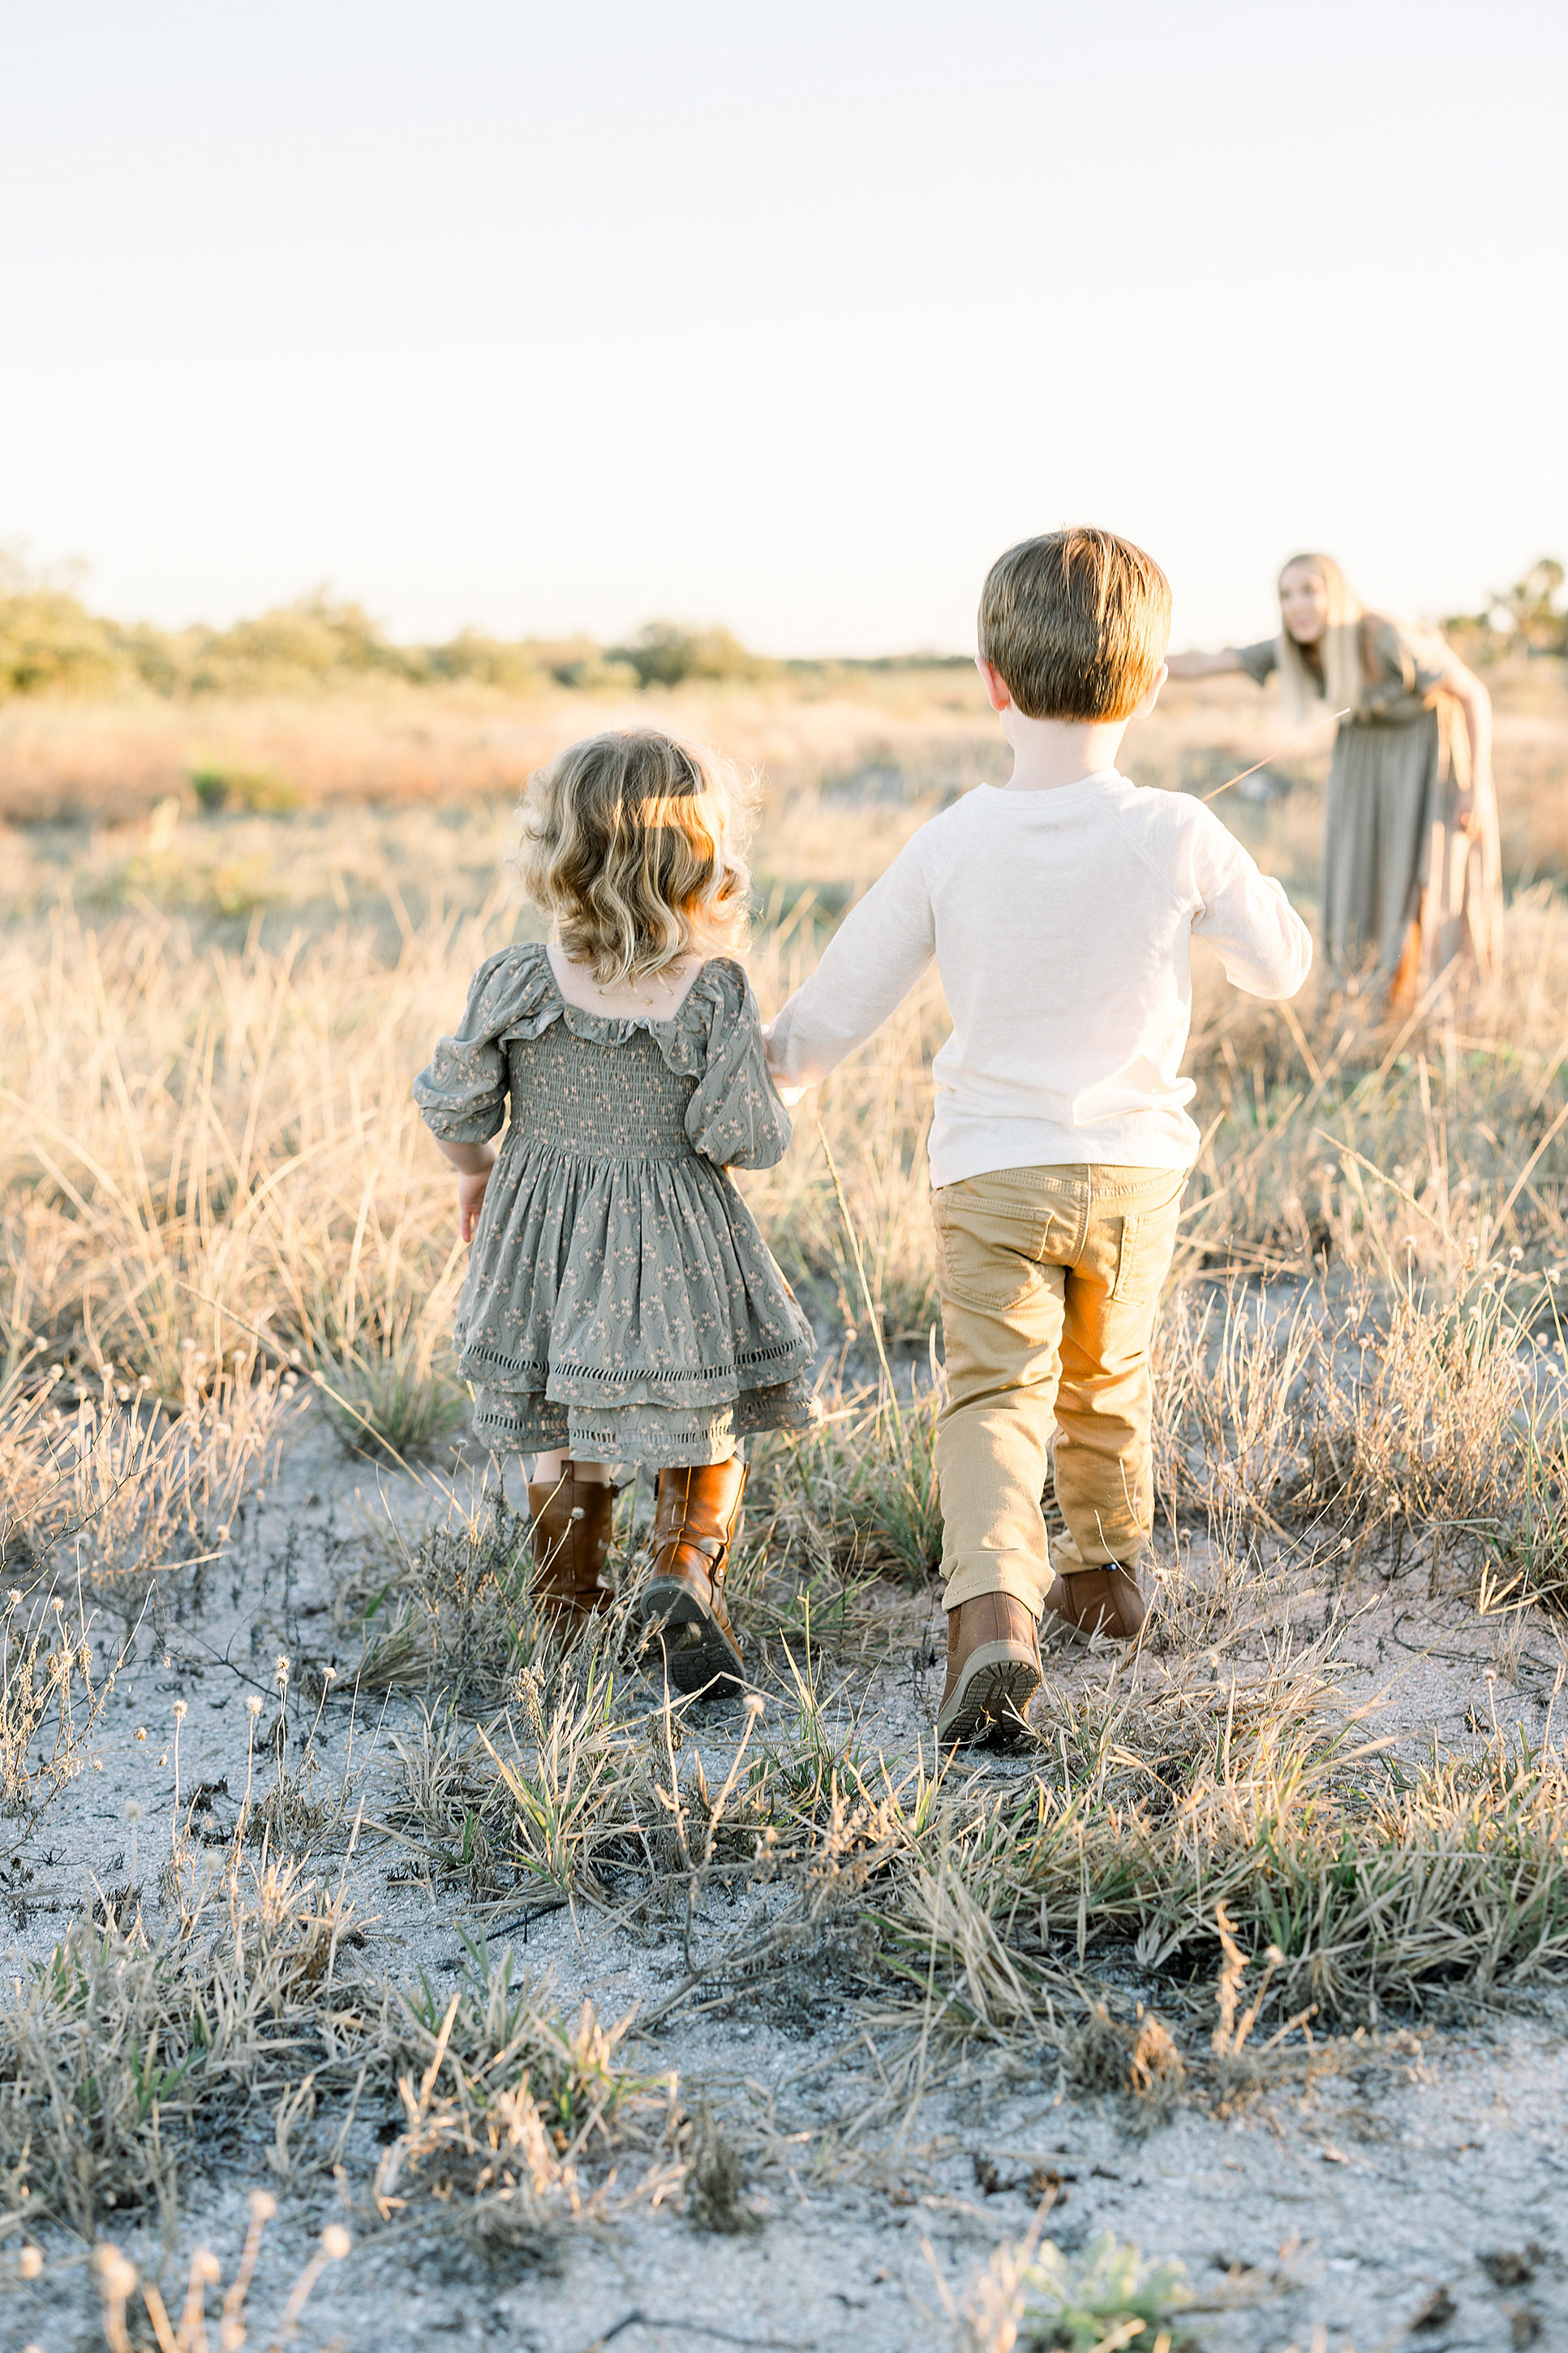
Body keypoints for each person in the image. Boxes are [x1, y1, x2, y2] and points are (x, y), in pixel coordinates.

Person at [764, 529, 1312, 1746]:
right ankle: (1111, 1579)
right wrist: (1239, 889)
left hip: (991, 1170)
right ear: (1155, 686)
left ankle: (993, 1622)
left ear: (990, 679)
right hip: (1132, 1174)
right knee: (1108, 1376)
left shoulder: (953, 838)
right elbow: (1281, 969)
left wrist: (764, 1081)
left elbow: (828, 1015)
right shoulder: (1178, 826)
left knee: (993, 1397)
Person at [413, 730, 815, 1693]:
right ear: (701, 858)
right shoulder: (711, 988)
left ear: (558, 848)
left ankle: (569, 1606)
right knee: (699, 1406)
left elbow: (456, 1106)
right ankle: (684, 1566)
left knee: (557, 1418)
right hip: (674, 1238)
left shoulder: (514, 979)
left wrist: (474, 1173)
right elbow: (744, 1136)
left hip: (542, 1236)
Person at [1166, 553, 1501, 1009]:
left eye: (1309, 590)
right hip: (1359, 761)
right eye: (1286, 594)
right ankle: (1364, 995)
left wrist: (1475, 784)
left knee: (1437, 875)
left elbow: (1471, 692)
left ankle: (1449, 1005)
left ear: (1336, 593)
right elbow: (1208, 663)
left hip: (1428, 753)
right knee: (1357, 871)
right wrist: (1130, 659)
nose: (1296, 604)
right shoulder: (1297, 647)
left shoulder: (1384, 635)